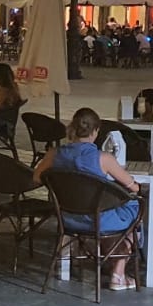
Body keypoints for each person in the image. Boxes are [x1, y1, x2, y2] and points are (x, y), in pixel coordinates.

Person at [35, 107, 141, 291]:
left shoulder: (54, 154)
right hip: (98, 220)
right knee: (135, 207)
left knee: (109, 211)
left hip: (67, 219)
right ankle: (118, 273)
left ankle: (105, 254)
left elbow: (37, 177)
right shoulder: (103, 158)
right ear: (96, 131)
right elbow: (133, 187)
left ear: (72, 128)